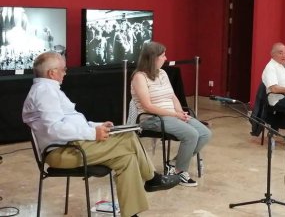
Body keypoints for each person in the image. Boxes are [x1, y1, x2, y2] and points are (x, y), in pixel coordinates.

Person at [22, 51, 180, 217]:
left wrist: (96, 126)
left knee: (126, 158)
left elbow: (70, 121)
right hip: (61, 152)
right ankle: (152, 179)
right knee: (128, 136)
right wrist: (92, 133)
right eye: (63, 69)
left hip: (73, 146)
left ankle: (132, 213)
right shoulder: (44, 91)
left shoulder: (48, 89)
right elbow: (55, 129)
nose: (65, 73)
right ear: (52, 73)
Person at [130, 41, 212, 187]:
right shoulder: (139, 77)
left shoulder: (162, 73)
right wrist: (175, 115)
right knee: (191, 134)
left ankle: (174, 163)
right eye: (163, 55)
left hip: (172, 115)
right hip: (152, 118)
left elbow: (173, 96)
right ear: (153, 58)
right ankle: (180, 172)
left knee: (205, 133)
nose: (166, 58)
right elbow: (148, 106)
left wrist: (180, 112)